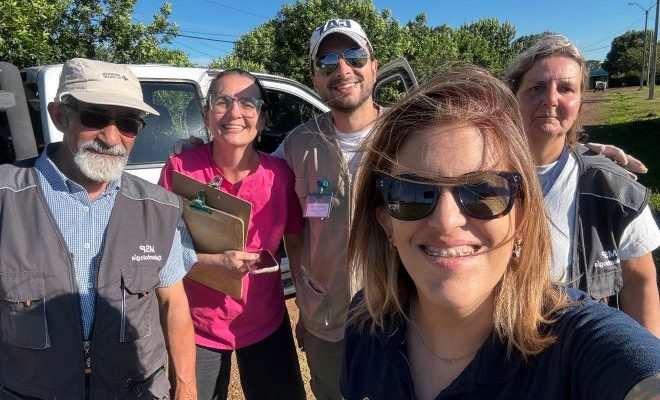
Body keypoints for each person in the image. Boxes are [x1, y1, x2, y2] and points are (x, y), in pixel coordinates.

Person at [340, 62, 660, 400]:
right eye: (413, 193)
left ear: (522, 218)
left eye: (483, 192)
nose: (446, 221)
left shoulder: (576, 344)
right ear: (386, 221)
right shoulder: (367, 322)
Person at [0, 58, 197, 399]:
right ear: (59, 115)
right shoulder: (5, 198)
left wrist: (186, 386)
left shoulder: (160, 207)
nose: (111, 137)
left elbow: (173, 303)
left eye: (127, 123)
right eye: (94, 117)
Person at [159, 69, 306, 400]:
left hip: (266, 321)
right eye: (222, 102)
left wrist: (306, 312)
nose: (235, 113)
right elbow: (160, 252)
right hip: (198, 327)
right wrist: (210, 263)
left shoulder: (280, 175)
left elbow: (295, 246)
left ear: (263, 117)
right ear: (207, 115)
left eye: (248, 103)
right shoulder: (181, 169)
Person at [505, 35, 660, 336]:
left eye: (565, 88)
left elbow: (640, 281)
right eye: (536, 87)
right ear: (514, 95)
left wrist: (648, 372)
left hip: (578, 361)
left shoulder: (612, 187)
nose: (551, 99)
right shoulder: (475, 174)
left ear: (579, 101)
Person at [270, 18, 382, 400]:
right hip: (327, 318)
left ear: (374, 65)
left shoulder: (410, 135)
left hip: (399, 315)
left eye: (354, 56)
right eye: (327, 63)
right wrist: (199, 158)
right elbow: (247, 180)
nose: (342, 70)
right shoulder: (297, 145)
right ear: (315, 79)